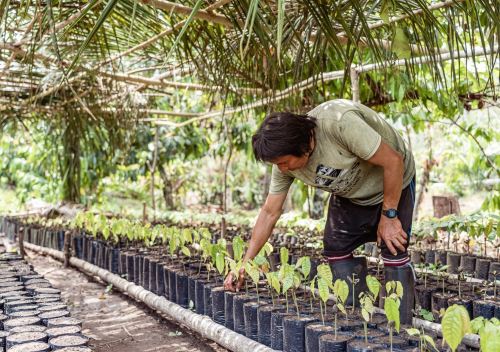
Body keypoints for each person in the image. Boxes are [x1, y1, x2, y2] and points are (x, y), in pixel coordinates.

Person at [224, 99, 416, 324]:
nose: (281, 169)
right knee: (336, 248)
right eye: (277, 164)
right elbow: (269, 212)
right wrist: (245, 263)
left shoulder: (340, 124)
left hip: (393, 182)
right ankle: (356, 315)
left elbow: (393, 161)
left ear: (303, 145)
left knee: (394, 248)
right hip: (350, 193)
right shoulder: (285, 166)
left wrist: (389, 216)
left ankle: (402, 326)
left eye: (284, 162)